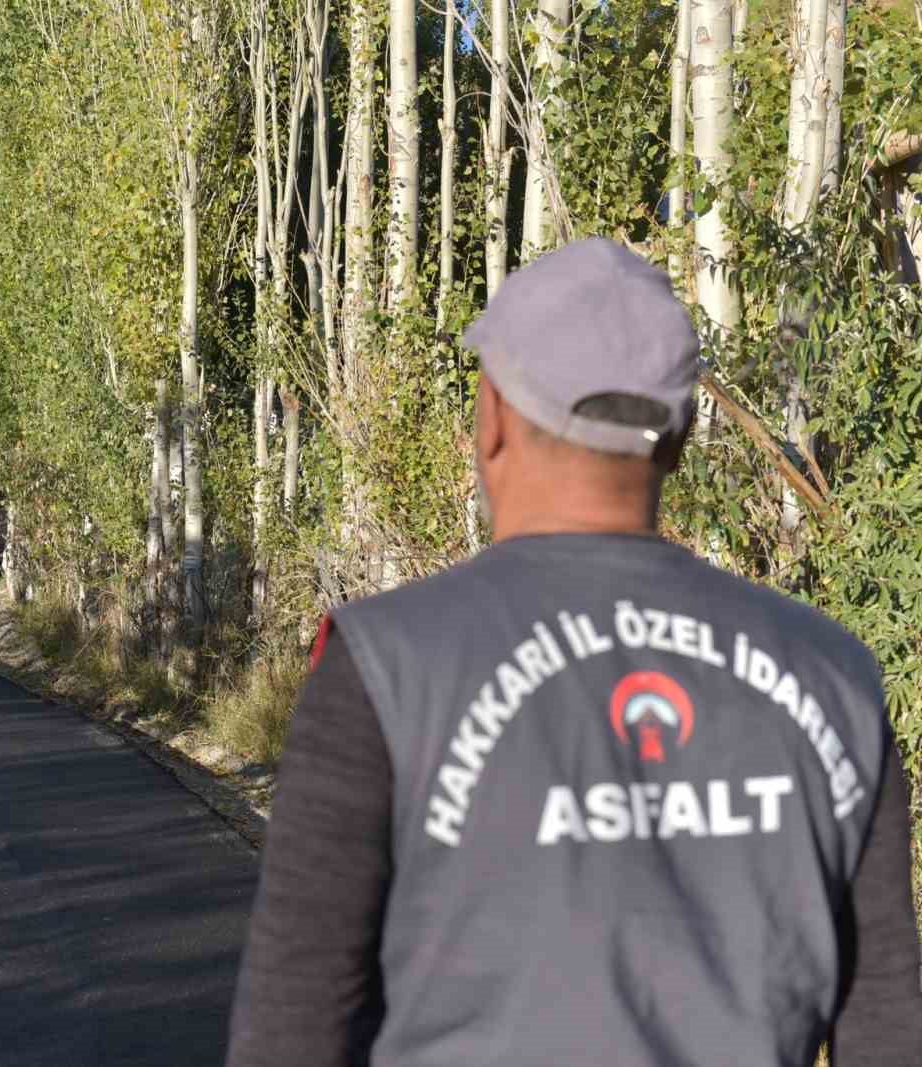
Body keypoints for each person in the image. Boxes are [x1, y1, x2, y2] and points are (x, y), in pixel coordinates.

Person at [225, 238, 921, 1066]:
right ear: (681, 434)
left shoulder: (386, 670)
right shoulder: (833, 677)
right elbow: (888, 1025)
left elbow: (291, 1026)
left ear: (490, 419)